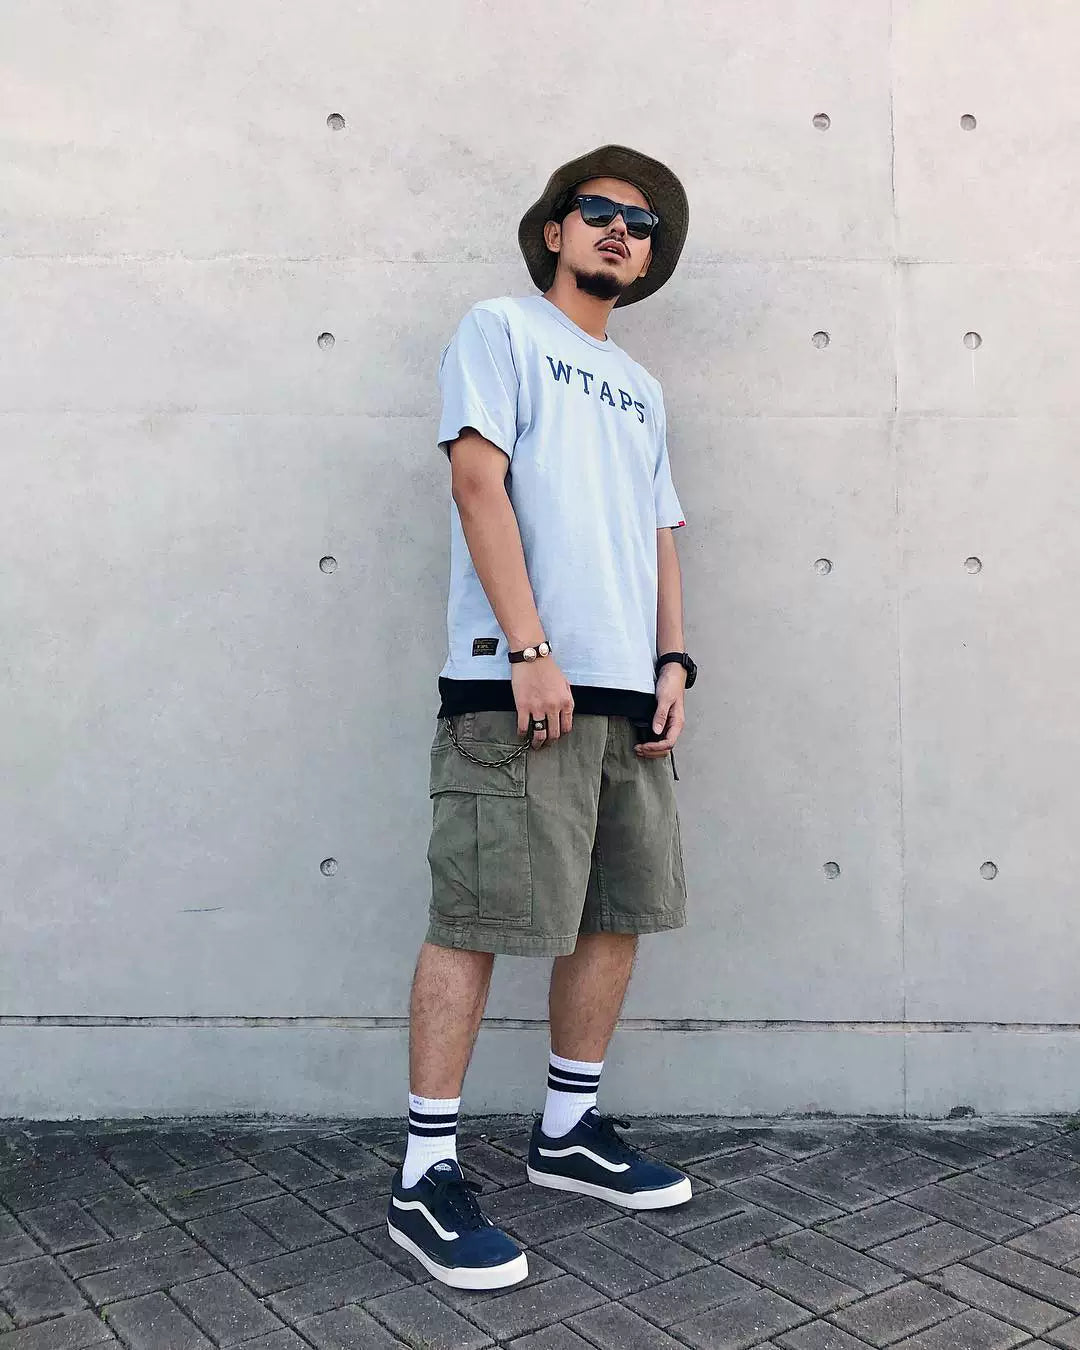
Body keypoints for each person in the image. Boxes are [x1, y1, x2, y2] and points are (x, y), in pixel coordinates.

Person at [386, 145, 700, 1290]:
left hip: (626, 693)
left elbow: (661, 531)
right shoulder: (500, 331)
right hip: (517, 683)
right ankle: (424, 1176)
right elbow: (477, 482)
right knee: (475, 915)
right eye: (599, 210)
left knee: (618, 909)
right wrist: (528, 649)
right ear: (556, 230)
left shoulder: (644, 389)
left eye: (642, 223)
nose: (621, 229)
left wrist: (675, 659)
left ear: (649, 258)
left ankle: (567, 1131)